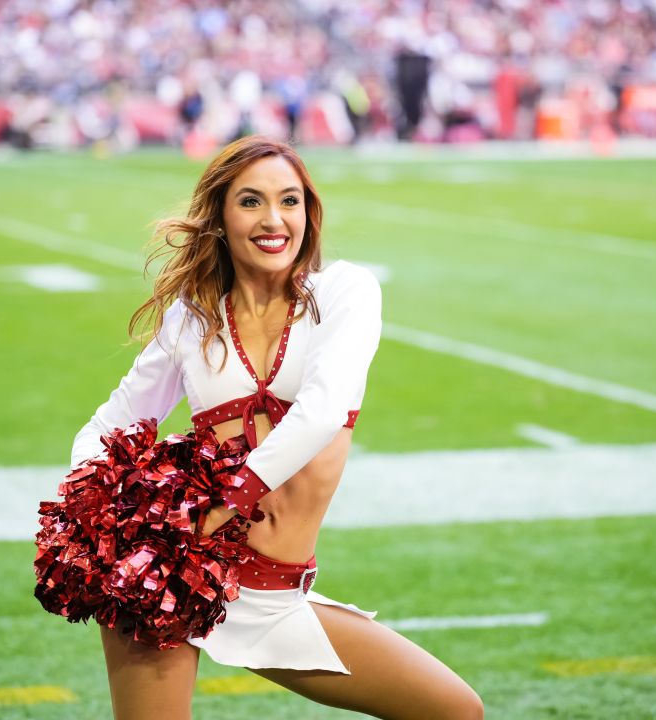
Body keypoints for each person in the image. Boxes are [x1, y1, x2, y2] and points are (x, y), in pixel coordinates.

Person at [70, 135, 483, 720]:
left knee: (455, 711)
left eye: (289, 201)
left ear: (308, 212)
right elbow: (110, 423)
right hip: (175, 573)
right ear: (220, 216)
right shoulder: (193, 317)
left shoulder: (344, 292)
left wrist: (229, 500)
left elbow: (323, 408)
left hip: (275, 593)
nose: (273, 220)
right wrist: (88, 504)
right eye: (250, 202)